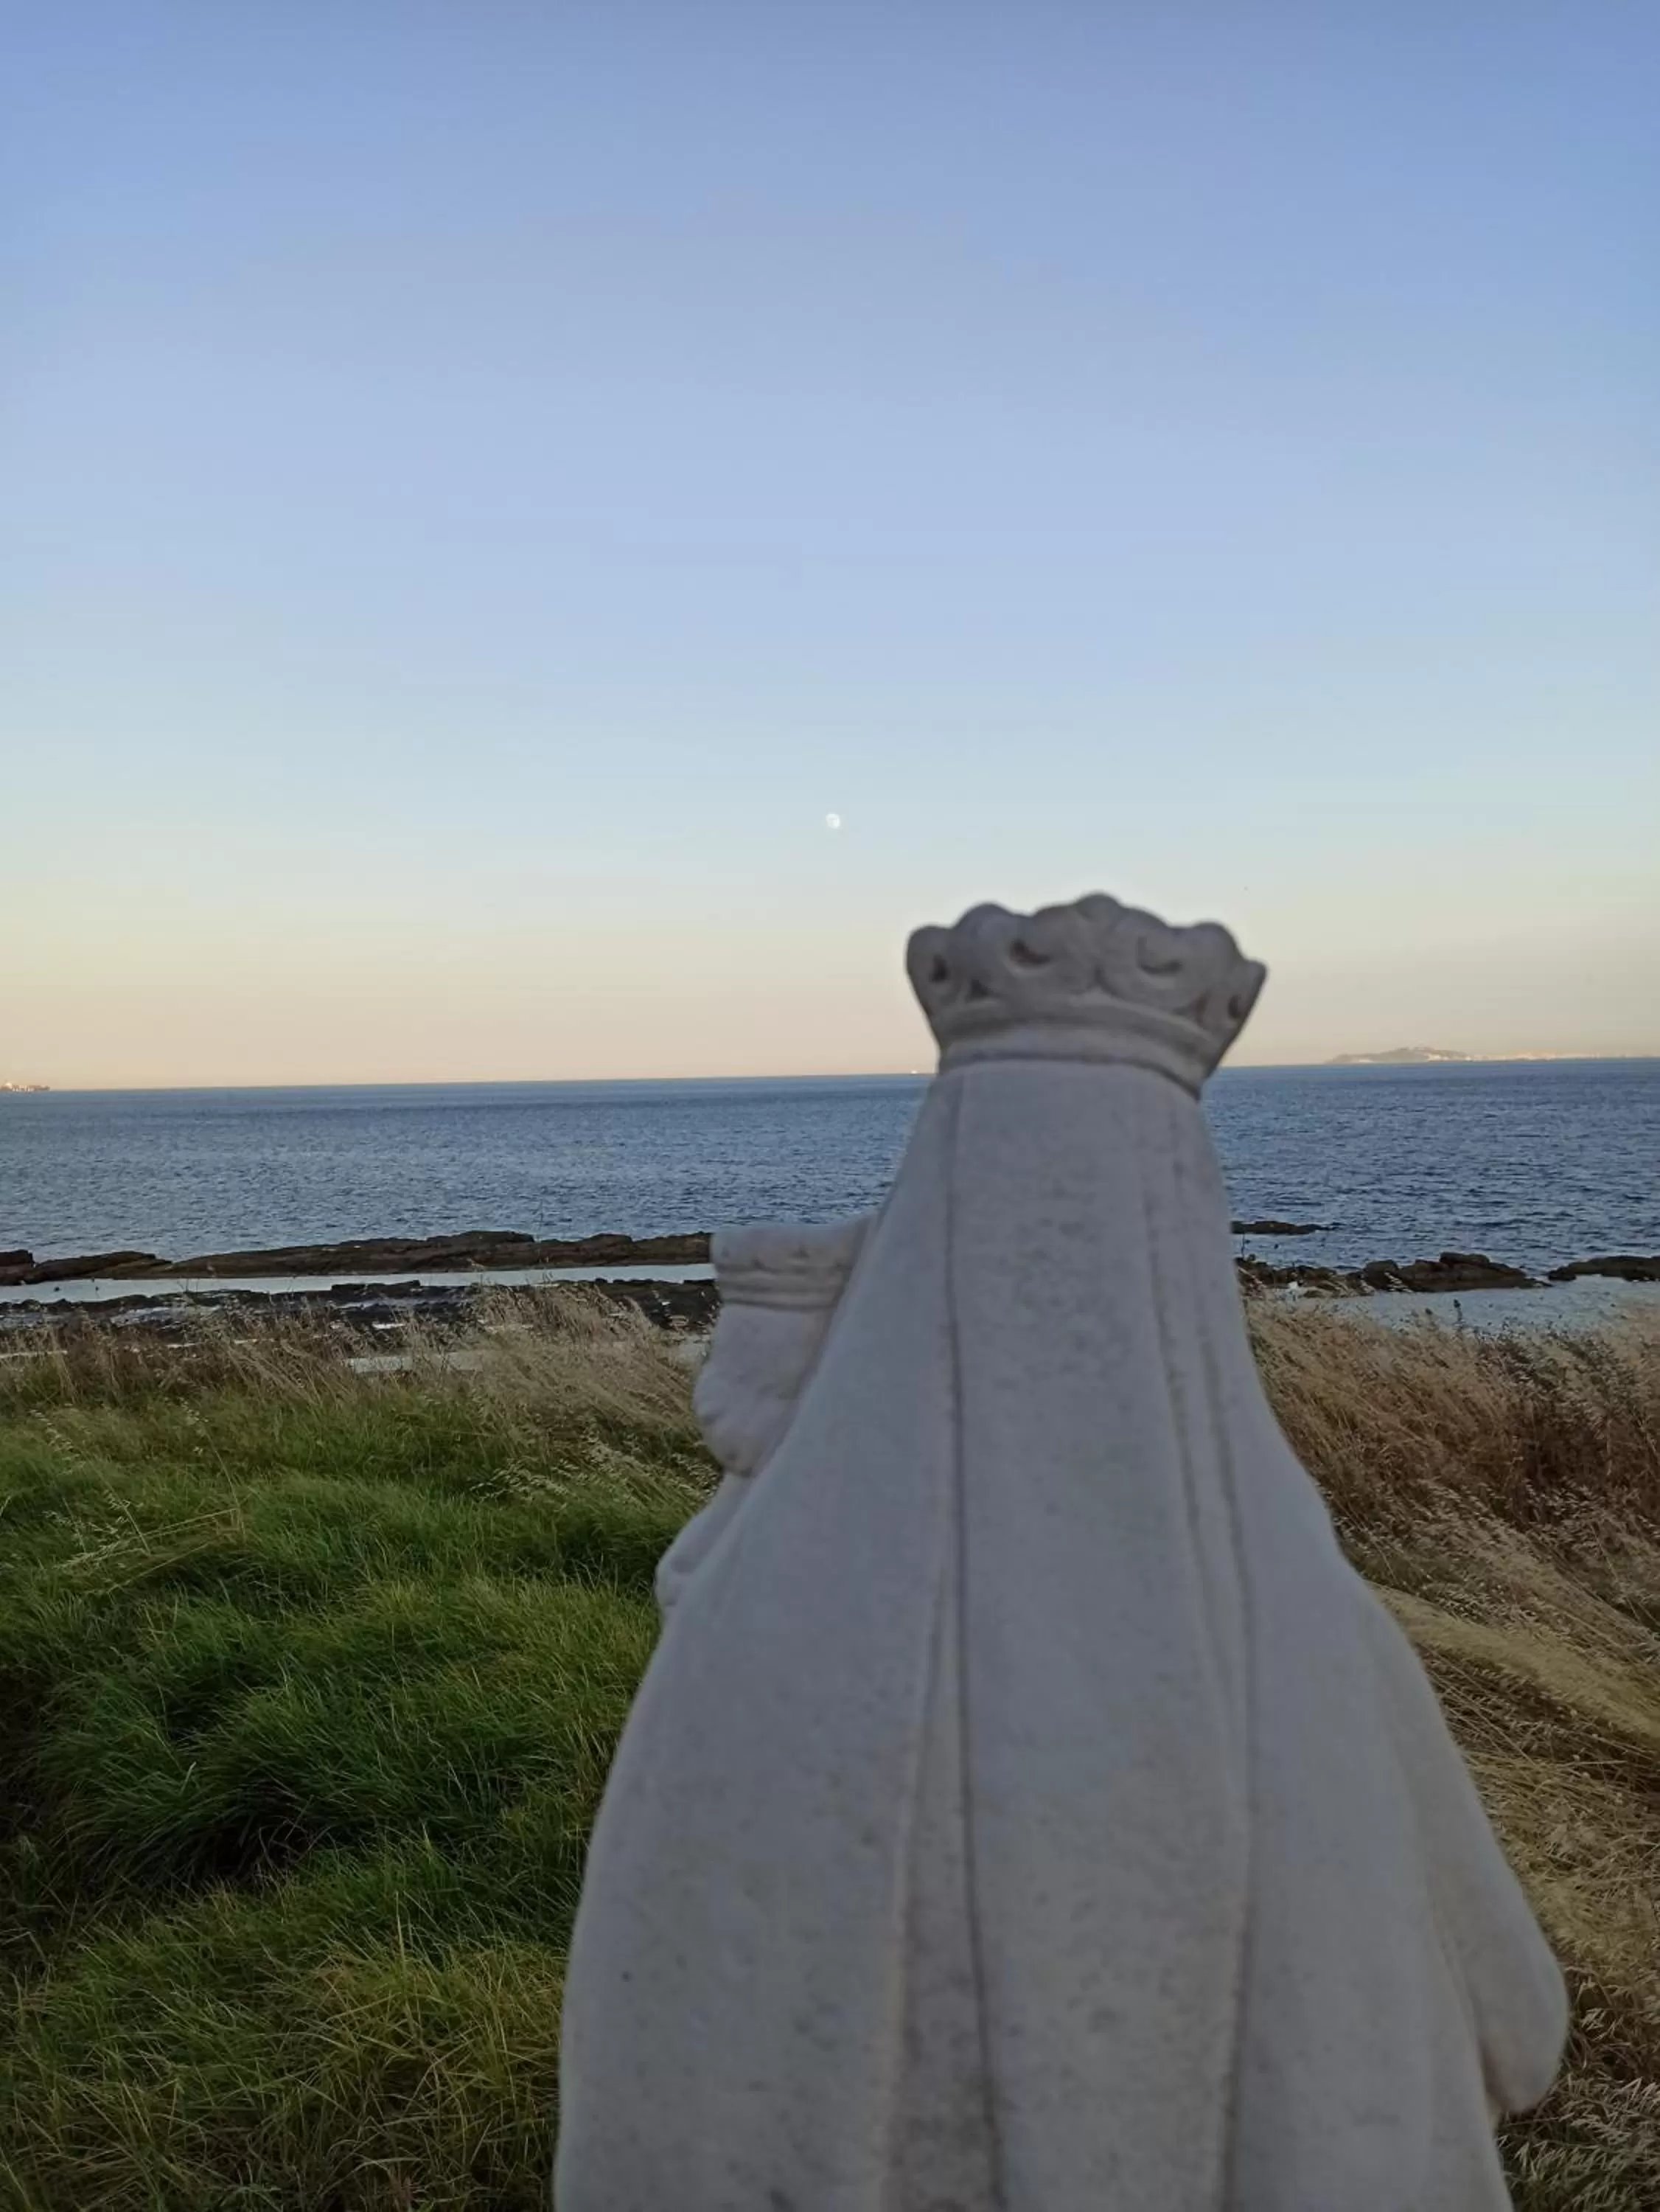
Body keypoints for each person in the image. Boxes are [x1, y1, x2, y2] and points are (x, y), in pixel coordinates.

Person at [557, 891, 1565, 2211]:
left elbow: (651, 2035)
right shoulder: (1318, 1637)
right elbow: (1517, 2025)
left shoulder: (754, 1619)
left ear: (928, 1220)